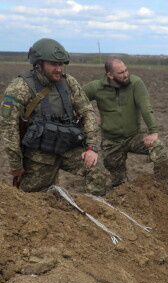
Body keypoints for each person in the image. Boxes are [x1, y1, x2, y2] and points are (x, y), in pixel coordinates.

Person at [0, 38, 105, 195]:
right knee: (31, 197)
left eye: (61, 64)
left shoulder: (69, 82)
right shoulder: (19, 87)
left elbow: (87, 112)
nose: (59, 69)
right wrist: (16, 164)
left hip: (68, 146)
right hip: (39, 154)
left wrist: (92, 148)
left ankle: (93, 210)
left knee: (95, 169)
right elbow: (9, 129)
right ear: (39, 64)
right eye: (53, 64)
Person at [83, 58, 168, 188]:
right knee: (119, 183)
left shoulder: (135, 83)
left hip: (134, 136)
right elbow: (77, 99)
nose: (126, 74)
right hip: (111, 142)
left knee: (158, 146)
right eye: (121, 72)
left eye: (126, 70)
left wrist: (153, 131)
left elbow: (145, 107)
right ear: (110, 75)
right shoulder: (96, 87)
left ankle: (166, 184)